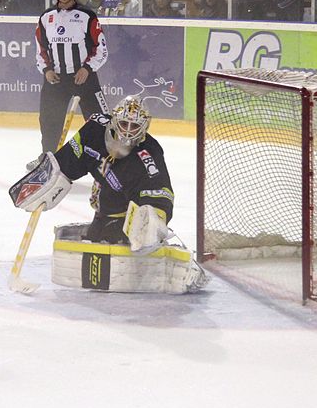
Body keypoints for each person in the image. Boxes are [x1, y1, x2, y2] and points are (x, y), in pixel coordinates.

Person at [11, 96, 205, 293]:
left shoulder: (149, 155)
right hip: (105, 208)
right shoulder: (94, 129)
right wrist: (51, 176)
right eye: (123, 123)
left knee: (127, 237)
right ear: (113, 120)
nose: (128, 131)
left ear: (145, 128)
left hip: (124, 217)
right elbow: (70, 159)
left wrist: (153, 219)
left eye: (134, 126)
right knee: (97, 236)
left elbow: (161, 194)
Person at [28, 0, 108, 169]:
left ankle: (105, 160)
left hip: (84, 79)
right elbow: (40, 49)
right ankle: (48, 159)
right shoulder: (46, 17)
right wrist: (46, 70)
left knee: (100, 121)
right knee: (49, 120)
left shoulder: (87, 16)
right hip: (56, 80)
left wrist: (87, 69)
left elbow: (101, 48)